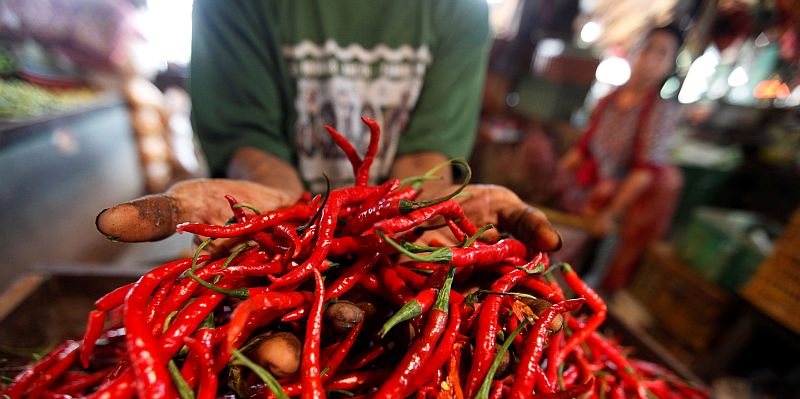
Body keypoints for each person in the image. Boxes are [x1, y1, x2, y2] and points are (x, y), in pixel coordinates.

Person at [96, 0, 562, 253]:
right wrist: (281, 212)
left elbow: (428, 153)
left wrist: (417, 216)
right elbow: (249, 139)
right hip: (273, 240)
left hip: (396, 241)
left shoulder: (459, 9)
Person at [558, 24, 684, 291]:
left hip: (620, 211)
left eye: (661, 54)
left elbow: (643, 174)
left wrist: (610, 214)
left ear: (668, 65)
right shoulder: (608, 101)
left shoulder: (660, 112)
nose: (650, 59)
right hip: (588, 197)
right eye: (647, 48)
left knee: (587, 282)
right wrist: (556, 175)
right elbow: (582, 150)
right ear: (635, 50)